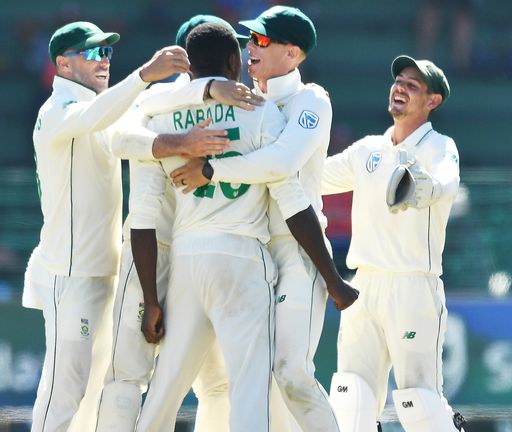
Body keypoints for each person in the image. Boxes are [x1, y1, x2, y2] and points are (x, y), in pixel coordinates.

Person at [141, 6, 358, 431]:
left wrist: (211, 169)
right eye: (249, 41)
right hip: (256, 252)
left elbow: (282, 162)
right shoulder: (246, 101)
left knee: (290, 374)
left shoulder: (309, 99)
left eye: (262, 40)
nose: (251, 47)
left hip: (297, 251)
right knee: (266, 390)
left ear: (293, 54)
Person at [23, 21, 232, 432]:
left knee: (94, 391)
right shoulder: (57, 113)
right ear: (63, 64)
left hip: (106, 272)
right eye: (92, 53)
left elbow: (129, 135)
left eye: (107, 53)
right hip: (72, 274)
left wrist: (200, 96)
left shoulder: (103, 109)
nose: (103, 61)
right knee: (64, 389)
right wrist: (142, 75)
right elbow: (101, 116)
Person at [94, 14, 254, 432]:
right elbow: (119, 142)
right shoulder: (159, 107)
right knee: (131, 377)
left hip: (187, 257)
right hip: (159, 254)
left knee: (211, 382)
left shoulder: (189, 106)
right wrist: (184, 142)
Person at [322, 55, 465, 432]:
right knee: (350, 397)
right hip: (363, 285)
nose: (399, 87)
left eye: (412, 85)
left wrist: (428, 186)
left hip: (413, 286)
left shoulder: (439, 146)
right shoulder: (368, 149)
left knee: (420, 401)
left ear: (432, 101)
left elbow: (447, 178)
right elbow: (312, 179)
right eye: (399, 80)